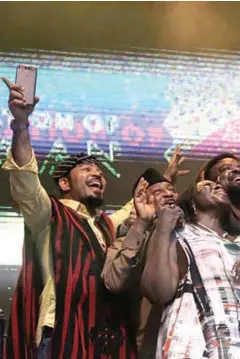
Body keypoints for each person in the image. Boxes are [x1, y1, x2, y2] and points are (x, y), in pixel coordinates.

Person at [1, 77, 136, 358]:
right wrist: (21, 124)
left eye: (100, 171)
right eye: (87, 169)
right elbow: (24, 178)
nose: (98, 174)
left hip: (105, 340)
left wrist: (164, 181)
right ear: (64, 184)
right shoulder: (47, 214)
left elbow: (134, 207)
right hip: (61, 338)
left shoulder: (105, 226)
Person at [141, 180, 240, 358]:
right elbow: (158, 291)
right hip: (193, 339)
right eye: (207, 185)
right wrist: (162, 229)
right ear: (192, 201)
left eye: (218, 186)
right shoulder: (179, 233)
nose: (217, 186)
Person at [101, 168, 179, 358]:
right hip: (153, 344)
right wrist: (141, 223)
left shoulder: (193, 233)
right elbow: (113, 281)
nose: (168, 194)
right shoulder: (129, 240)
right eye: (158, 192)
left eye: (170, 189)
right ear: (144, 202)